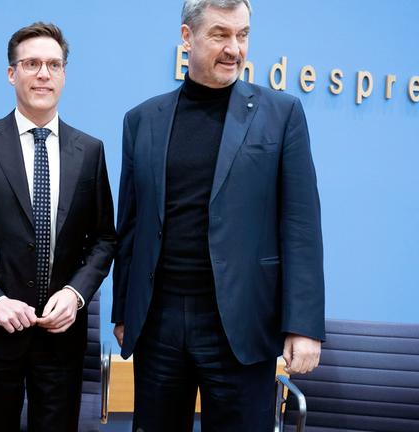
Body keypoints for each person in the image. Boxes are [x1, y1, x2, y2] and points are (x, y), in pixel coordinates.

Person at [112, 1, 325, 430]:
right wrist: (122, 312)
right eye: (220, 35)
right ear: (187, 37)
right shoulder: (141, 120)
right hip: (159, 323)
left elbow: (300, 225)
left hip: (242, 325)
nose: (235, 48)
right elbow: (130, 225)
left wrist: (303, 325)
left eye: (242, 35)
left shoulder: (281, 115)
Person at [0, 22, 116, 432]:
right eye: (31, 63)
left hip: (62, 339)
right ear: (11, 73)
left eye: (54, 64)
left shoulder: (89, 151)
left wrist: (76, 294)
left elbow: (104, 238)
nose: (43, 73)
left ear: (65, 75)